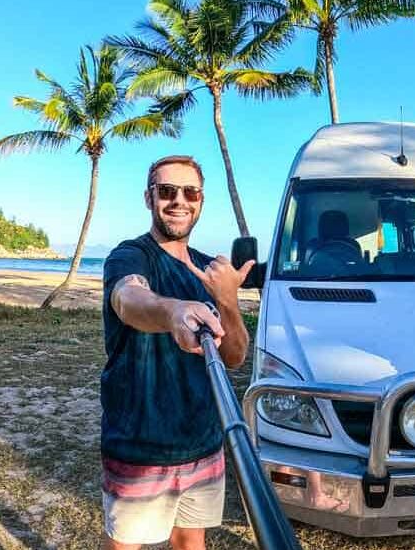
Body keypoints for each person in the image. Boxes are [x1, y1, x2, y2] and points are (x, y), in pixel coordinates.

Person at [100, 155, 254, 550]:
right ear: (149, 198)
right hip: (141, 443)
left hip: (203, 440)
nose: (178, 201)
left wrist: (229, 302)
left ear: (201, 200)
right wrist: (174, 311)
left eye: (190, 192)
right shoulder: (131, 256)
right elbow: (128, 298)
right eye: (167, 191)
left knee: (191, 542)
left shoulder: (209, 269)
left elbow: (234, 357)